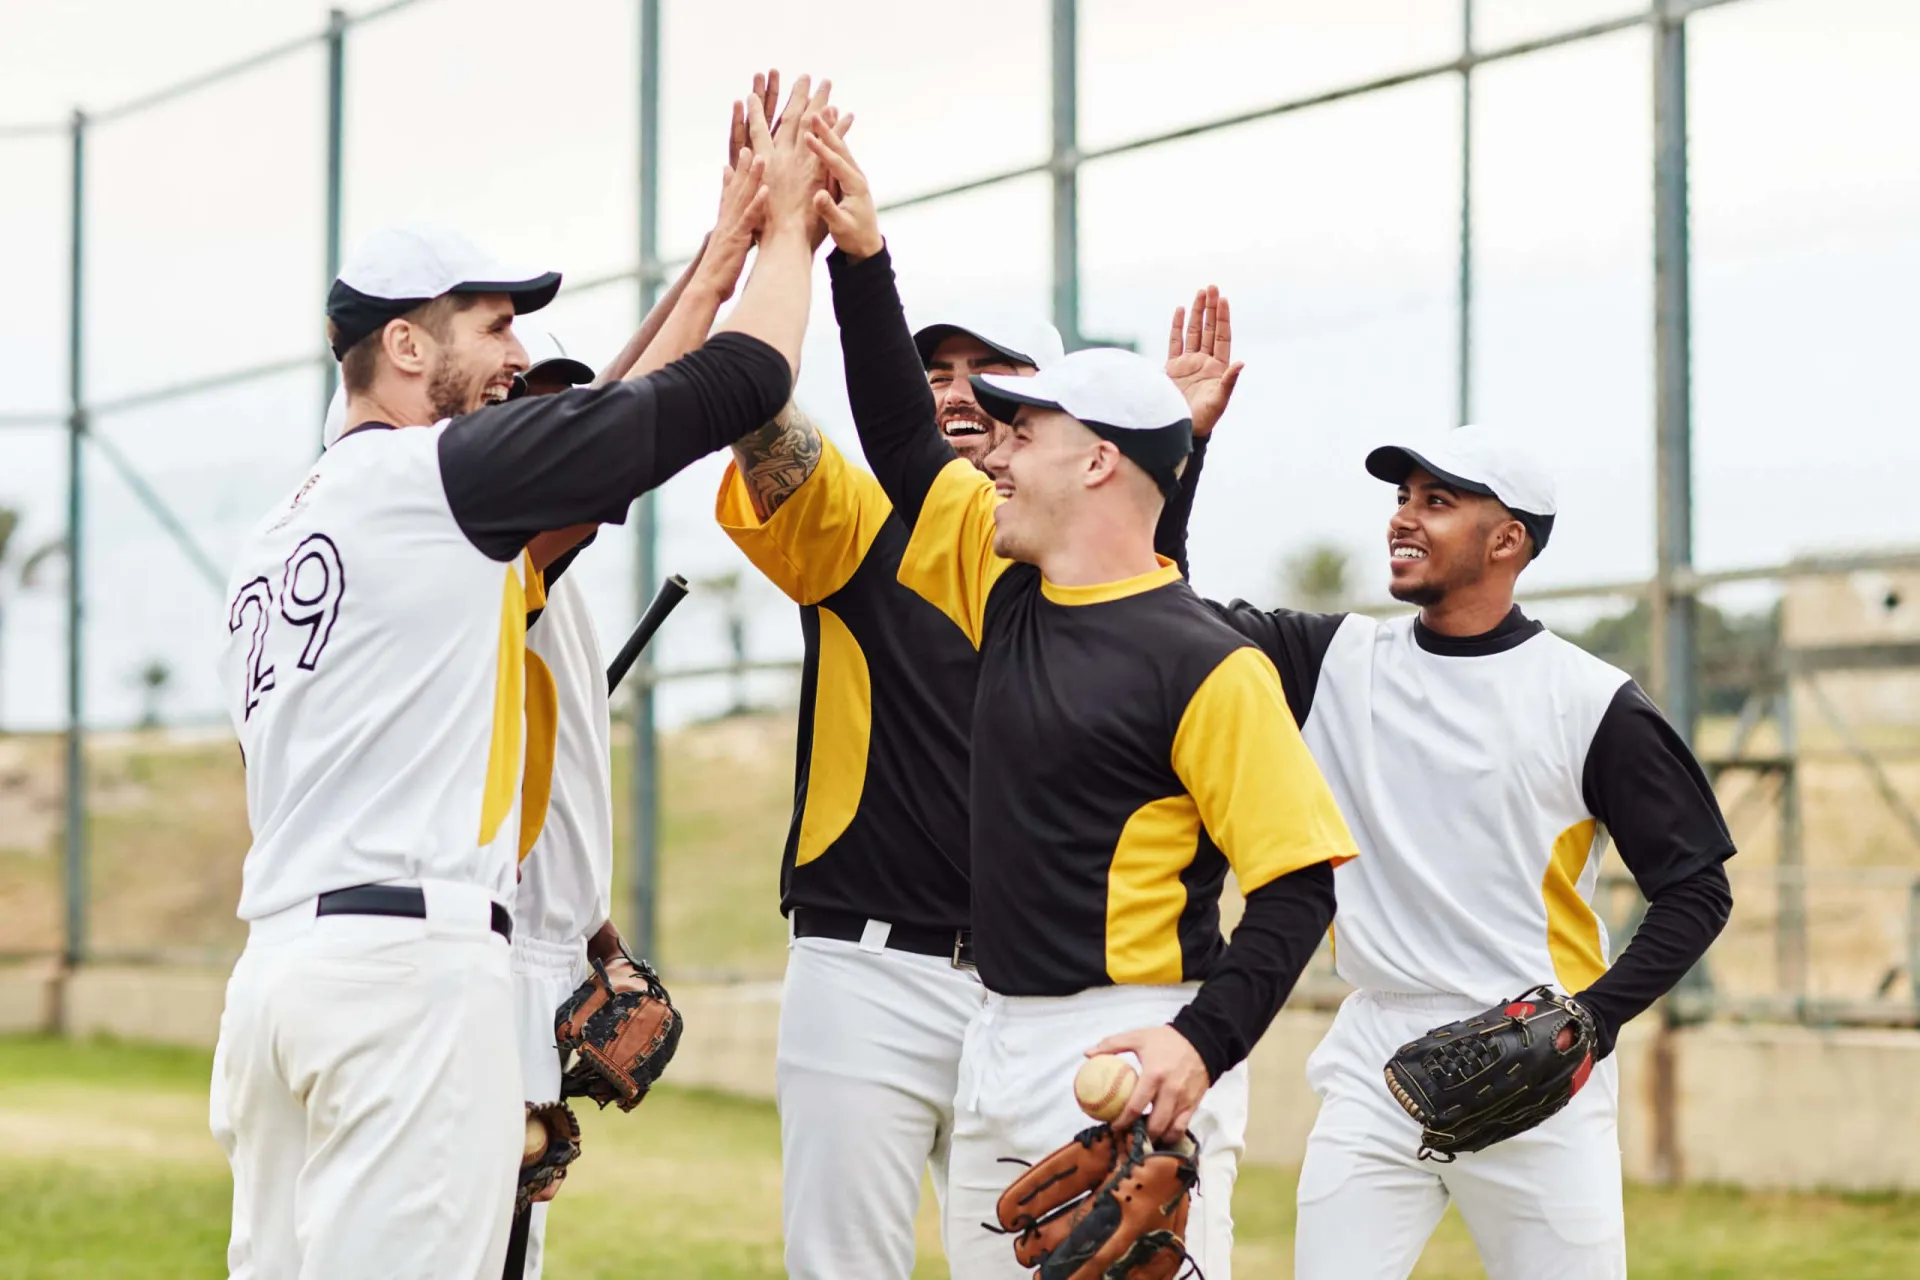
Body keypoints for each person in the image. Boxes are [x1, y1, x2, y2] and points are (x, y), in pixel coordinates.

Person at [209, 81, 823, 1277]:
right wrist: (790, 230)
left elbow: (603, 427)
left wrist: (717, 255)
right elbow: (732, 388)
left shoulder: (286, 528)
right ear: (403, 344)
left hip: (282, 976)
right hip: (406, 979)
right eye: (492, 325)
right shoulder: (436, 484)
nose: (519, 355)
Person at [804, 116, 1359, 1280]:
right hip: (995, 1031)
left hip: (1130, 1035)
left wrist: (1196, 1046)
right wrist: (859, 258)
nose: (991, 449)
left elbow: (1299, 886)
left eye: (1022, 427)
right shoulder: (1006, 589)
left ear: (1099, 458)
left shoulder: (1207, 662)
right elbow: (904, 443)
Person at [1186, 425, 1735, 1279]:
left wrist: (1593, 1021)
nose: (1404, 518)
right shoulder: (1335, 659)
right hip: (1377, 1061)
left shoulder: (1590, 701)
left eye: (1437, 501)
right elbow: (1162, 615)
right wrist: (1184, 446)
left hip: (1539, 1057)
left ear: (1507, 539)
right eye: (1401, 498)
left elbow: (1697, 887)